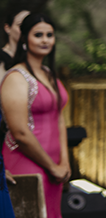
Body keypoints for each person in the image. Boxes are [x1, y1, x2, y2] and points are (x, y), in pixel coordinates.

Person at [0, 12, 70, 218]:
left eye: (50, 35)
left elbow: (59, 117)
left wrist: (64, 162)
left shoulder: (48, 73)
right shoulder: (15, 77)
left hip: (55, 165)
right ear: (24, 38)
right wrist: (51, 166)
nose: (45, 40)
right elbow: (20, 132)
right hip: (27, 162)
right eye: (38, 35)